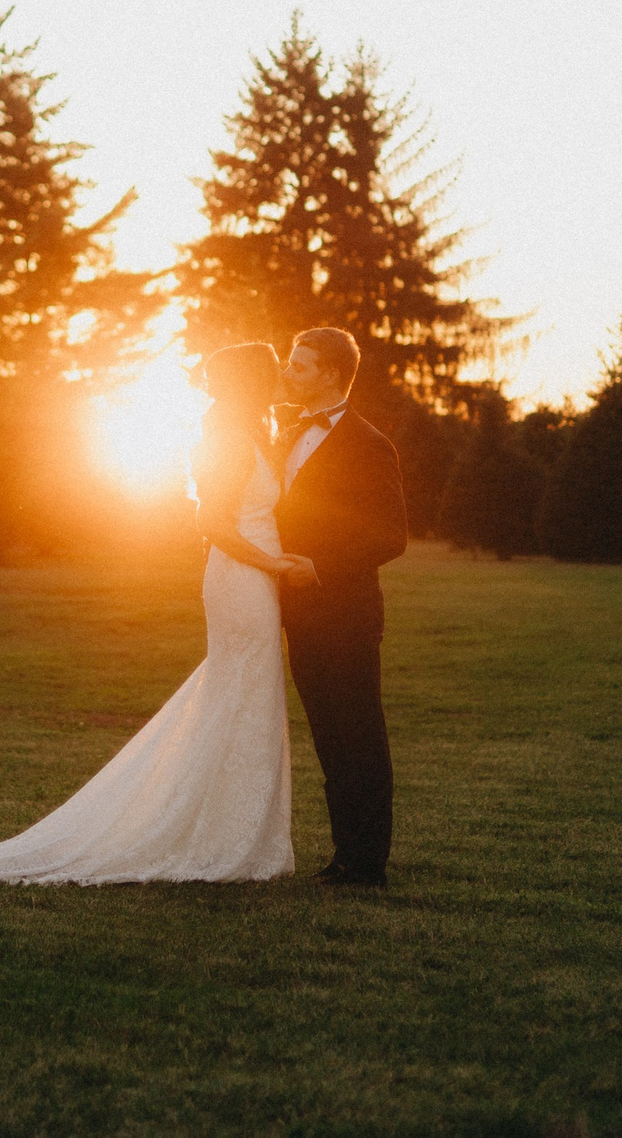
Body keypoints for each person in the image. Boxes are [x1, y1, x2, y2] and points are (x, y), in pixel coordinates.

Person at [0, 342, 310, 884]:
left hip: (257, 577)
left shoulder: (255, 433)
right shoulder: (225, 441)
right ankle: (215, 836)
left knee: (247, 693)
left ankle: (233, 830)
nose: (281, 378)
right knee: (239, 688)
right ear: (252, 382)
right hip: (242, 578)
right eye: (273, 371)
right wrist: (273, 564)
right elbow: (213, 524)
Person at [274, 326, 408, 886]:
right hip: (298, 615)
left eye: (299, 366)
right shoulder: (286, 434)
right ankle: (343, 854)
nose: (287, 374)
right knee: (328, 737)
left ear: (331, 374)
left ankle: (368, 862)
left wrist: (320, 568)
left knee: (359, 736)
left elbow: (391, 536)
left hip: (347, 614)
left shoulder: (369, 444)